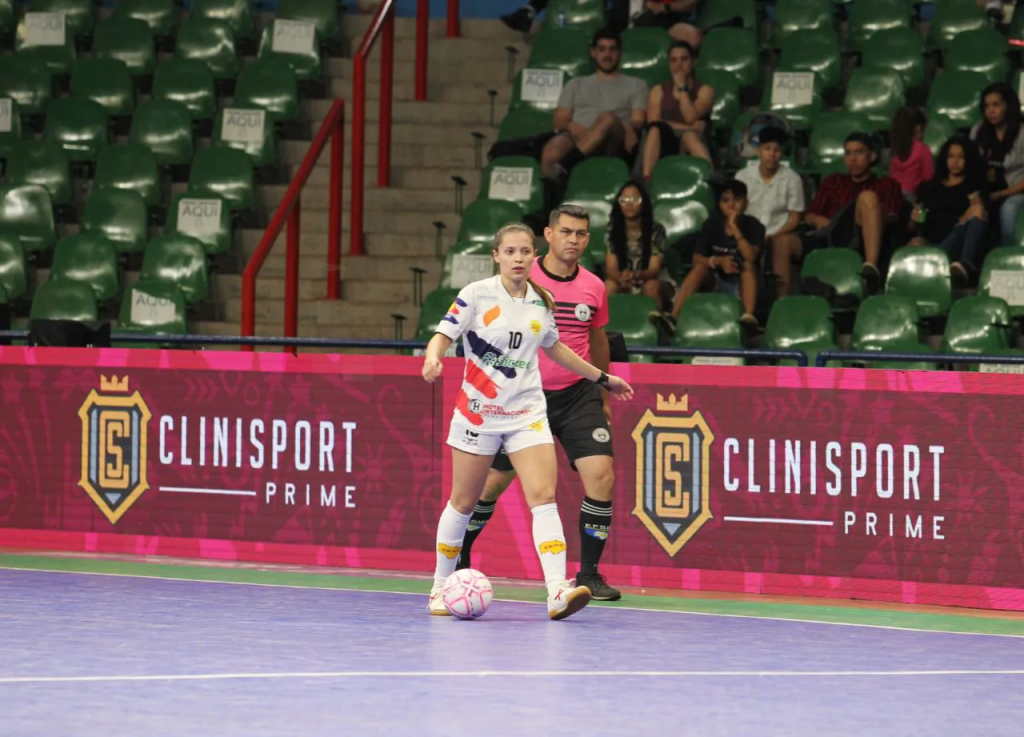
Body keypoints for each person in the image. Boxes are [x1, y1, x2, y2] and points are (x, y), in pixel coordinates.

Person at [423, 220, 634, 619]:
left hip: (526, 415)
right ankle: (438, 586)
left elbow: (557, 351)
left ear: (532, 256)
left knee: (544, 498)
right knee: (463, 502)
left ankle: (557, 591)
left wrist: (602, 378)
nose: (518, 258)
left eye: (524, 252)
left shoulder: (541, 301)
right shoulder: (476, 295)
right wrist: (434, 356)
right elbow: (443, 333)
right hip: (478, 414)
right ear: (496, 256)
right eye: (510, 252)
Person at [771, 132, 904, 296]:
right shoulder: (833, 181)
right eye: (848, 153)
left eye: (859, 152)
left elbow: (892, 217)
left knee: (867, 198)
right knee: (782, 242)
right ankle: (781, 305)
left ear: (872, 156)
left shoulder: (886, 184)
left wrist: (869, 212)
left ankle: (871, 268)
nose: (853, 159)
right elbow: (810, 215)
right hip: (828, 233)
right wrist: (818, 219)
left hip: (860, 237)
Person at [542, 29, 648, 181]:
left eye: (612, 49)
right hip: (578, 136)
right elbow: (559, 119)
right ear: (593, 53)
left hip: (613, 140)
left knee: (607, 118)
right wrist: (573, 127)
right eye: (602, 49)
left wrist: (627, 128)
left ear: (619, 53)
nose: (607, 55)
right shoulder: (575, 83)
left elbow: (638, 120)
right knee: (550, 154)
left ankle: (568, 164)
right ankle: (552, 198)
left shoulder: (637, 84)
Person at [670, 179, 763, 325]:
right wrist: (718, 261)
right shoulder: (711, 225)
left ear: (746, 203)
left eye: (737, 200)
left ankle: (748, 318)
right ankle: (673, 318)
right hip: (716, 280)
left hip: (743, 283)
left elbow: (750, 256)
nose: (731, 205)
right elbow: (696, 258)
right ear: (720, 204)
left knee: (748, 266)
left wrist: (735, 228)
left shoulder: (754, 225)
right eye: (726, 200)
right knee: (700, 267)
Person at [910, 135, 989, 286]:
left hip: (955, 243)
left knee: (978, 209)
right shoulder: (929, 187)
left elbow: (979, 219)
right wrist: (913, 221)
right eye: (951, 156)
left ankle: (965, 266)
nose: (955, 161)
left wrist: (965, 218)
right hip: (932, 246)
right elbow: (913, 226)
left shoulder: (974, 188)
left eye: (961, 157)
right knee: (915, 244)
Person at [640, 40, 715, 180]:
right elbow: (654, 123)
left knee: (689, 137)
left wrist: (682, 89)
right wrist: (688, 127)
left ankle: (711, 179)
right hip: (665, 144)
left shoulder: (705, 91)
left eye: (684, 59)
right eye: (674, 60)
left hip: (694, 143)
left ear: (693, 62)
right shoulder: (658, 90)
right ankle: (646, 181)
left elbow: (690, 117)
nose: (679, 65)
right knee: (655, 131)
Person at [735, 126, 805, 252]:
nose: (772, 155)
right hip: (747, 236)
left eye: (777, 150)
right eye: (767, 149)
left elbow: (795, 218)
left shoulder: (793, 179)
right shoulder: (742, 176)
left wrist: (775, 236)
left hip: (779, 235)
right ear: (759, 151)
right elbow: (736, 210)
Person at [605, 182, 673, 310]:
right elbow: (611, 268)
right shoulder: (612, 230)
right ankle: (599, 328)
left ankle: (658, 324)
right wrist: (621, 277)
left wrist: (636, 275)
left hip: (651, 279)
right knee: (608, 286)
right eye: (624, 200)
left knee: (650, 287)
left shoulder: (656, 230)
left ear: (643, 203)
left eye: (635, 199)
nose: (629, 204)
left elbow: (654, 269)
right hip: (625, 280)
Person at [971, 82, 1024, 245]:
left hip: (1016, 191)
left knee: (1009, 208)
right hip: (986, 190)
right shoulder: (979, 130)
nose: (991, 111)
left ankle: (1004, 253)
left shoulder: (1022, 132)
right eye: (987, 106)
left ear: (1008, 105)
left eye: (996, 105)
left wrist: (1001, 194)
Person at [887, 107, 934, 200]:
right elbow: (928, 179)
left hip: (892, 196)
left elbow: (891, 176)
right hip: (911, 200)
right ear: (918, 127)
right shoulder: (923, 149)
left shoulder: (895, 149)